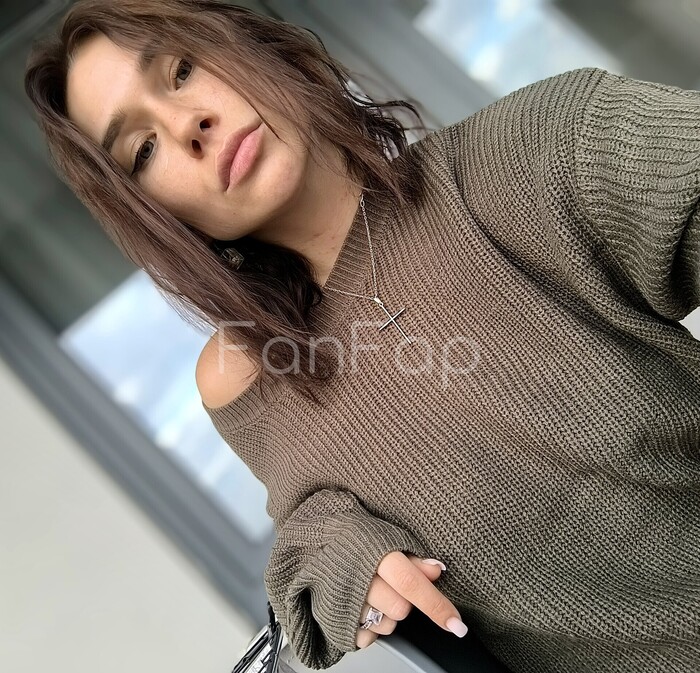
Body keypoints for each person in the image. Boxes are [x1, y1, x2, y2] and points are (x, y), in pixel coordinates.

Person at [24, 1, 700, 672]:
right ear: (157, 213)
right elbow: (310, 533)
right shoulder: (253, 380)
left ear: (248, 43)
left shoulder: (533, 150)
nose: (184, 125)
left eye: (181, 71)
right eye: (142, 150)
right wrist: (345, 557)